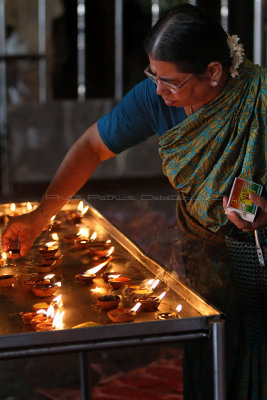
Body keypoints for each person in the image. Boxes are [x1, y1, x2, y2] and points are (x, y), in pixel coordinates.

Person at [3, 3, 267, 399]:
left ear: (214, 72)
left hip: (260, 258)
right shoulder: (156, 96)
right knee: (212, 355)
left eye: (171, 81)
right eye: (152, 75)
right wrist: (41, 215)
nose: (159, 91)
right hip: (202, 255)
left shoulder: (259, 99)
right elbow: (91, 147)